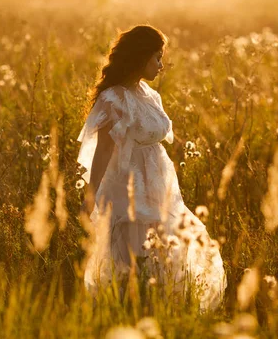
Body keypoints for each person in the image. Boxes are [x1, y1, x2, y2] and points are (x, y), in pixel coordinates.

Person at [77, 25, 226, 311]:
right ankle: (131, 309)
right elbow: (105, 149)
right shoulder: (114, 98)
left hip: (160, 184)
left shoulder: (149, 94)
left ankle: (161, 307)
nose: (161, 65)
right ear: (140, 56)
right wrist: (90, 193)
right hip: (129, 186)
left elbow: (157, 136)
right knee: (134, 253)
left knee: (166, 247)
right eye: (157, 58)